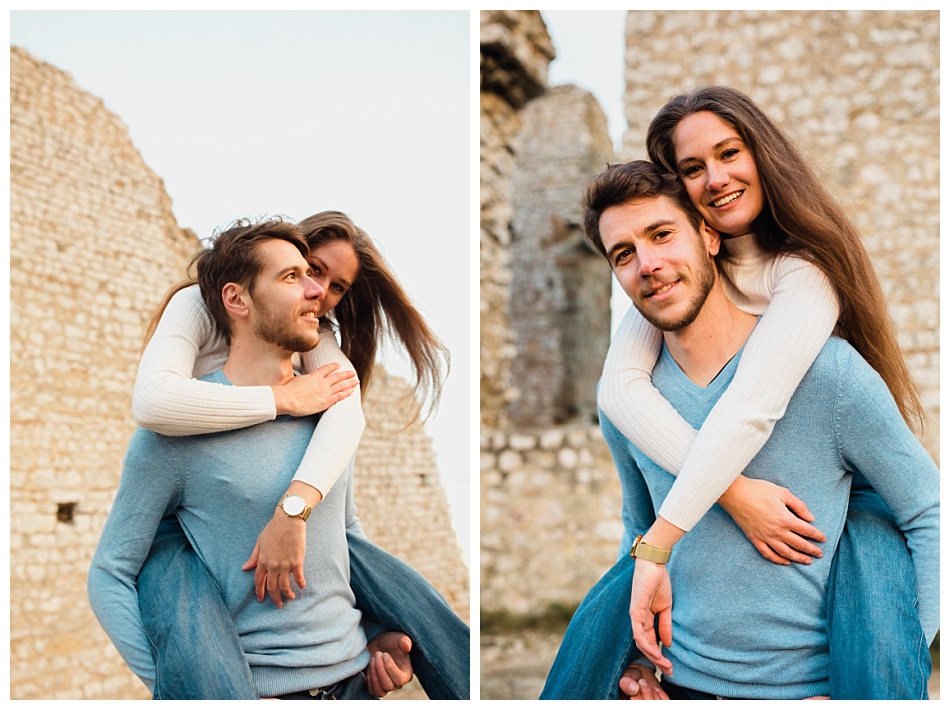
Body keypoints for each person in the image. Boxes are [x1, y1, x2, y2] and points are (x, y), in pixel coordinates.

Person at [542, 86, 935, 700]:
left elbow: (929, 511)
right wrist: (641, 661)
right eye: (624, 253)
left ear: (706, 235)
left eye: (661, 235)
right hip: (684, 685)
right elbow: (637, 530)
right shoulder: (632, 388)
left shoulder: (816, 326)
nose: (646, 263)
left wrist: (904, 651)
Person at [116, 213, 468, 700]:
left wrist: (368, 637)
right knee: (169, 576)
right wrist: (179, 686)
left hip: (348, 685)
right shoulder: (198, 302)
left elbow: (346, 430)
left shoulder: (316, 344)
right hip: (185, 491)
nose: (319, 290)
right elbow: (153, 403)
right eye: (309, 269)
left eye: (335, 286)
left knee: (421, 611)